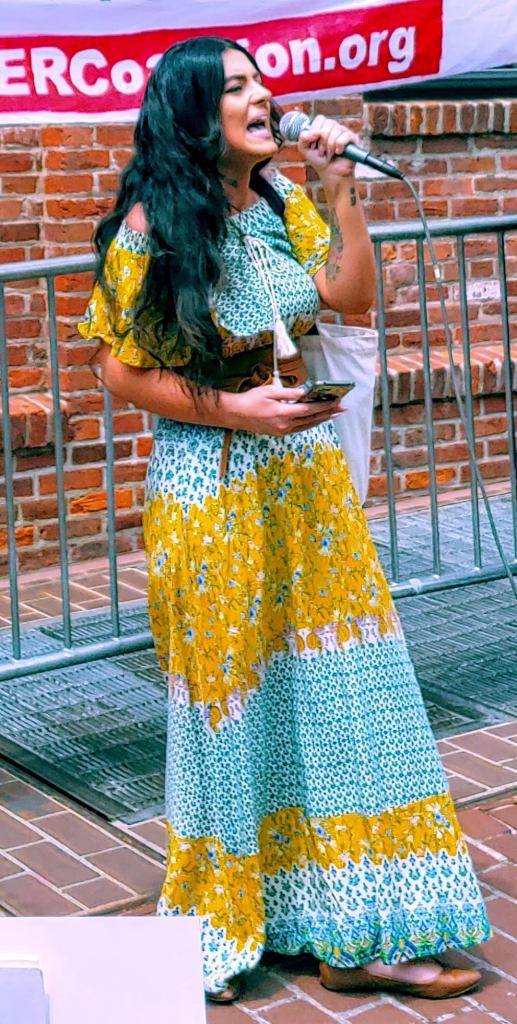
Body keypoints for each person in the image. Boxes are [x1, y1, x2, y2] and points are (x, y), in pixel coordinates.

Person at [78, 36, 490, 1004]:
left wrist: (343, 195)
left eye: (261, 80)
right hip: (213, 493)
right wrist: (233, 408)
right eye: (236, 88)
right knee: (236, 714)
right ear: (190, 115)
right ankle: (231, 922)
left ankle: (361, 931)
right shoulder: (153, 225)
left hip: (306, 487)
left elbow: (347, 295)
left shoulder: (280, 202)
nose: (265, 96)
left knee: (352, 695)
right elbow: (114, 365)